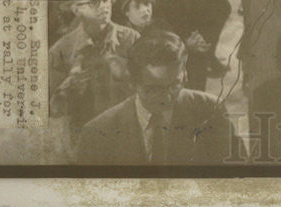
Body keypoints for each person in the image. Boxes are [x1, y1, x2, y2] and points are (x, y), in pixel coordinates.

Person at [76, 30, 238, 165]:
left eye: (175, 85)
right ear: (132, 83)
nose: (167, 98)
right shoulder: (96, 134)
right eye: (153, 89)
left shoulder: (211, 110)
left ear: (185, 75)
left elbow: (235, 181)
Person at [49, 0, 139, 139]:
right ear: (76, 10)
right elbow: (51, 109)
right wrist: (67, 88)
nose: (104, 6)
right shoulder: (62, 50)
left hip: (126, 130)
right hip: (83, 133)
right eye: (94, 2)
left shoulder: (131, 39)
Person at [150, 0, 231, 91]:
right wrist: (185, 43)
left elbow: (214, 20)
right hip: (177, 53)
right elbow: (164, 30)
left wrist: (205, 40)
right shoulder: (165, 1)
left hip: (199, 50)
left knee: (199, 85)